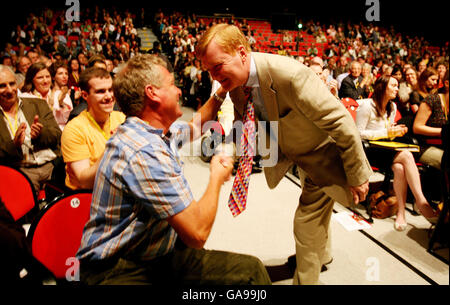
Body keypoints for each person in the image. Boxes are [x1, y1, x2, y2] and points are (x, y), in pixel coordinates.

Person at [196, 24, 372, 285]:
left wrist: (358, 174)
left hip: (325, 155)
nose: (214, 76)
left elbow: (341, 122)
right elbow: (243, 125)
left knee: (306, 223)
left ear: (241, 53)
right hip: (299, 155)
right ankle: (322, 256)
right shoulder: (236, 85)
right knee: (318, 214)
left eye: (217, 66)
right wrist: (227, 152)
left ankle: (306, 280)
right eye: (209, 70)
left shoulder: (290, 76)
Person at [76, 54, 271, 285]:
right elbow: (197, 233)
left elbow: (195, 126)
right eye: (171, 84)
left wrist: (221, 91)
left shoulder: (150, 131)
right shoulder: (144, 152)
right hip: (116, 269)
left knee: (251, 272)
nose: (179, 91)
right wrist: (216, 178)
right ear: (153, 93)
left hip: (153, 253)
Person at [355, 76, 439, 230]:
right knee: (406, 155)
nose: (396, 89)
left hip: (385, 148)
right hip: (369, 150)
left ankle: (401, 213)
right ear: (382, 87)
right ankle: (421, 201)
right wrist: (386, 131)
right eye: (393, 85)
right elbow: (358, 134)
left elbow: (388, 134)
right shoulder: (367, 106)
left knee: (400, 168)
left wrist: (397, 132)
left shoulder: (392, 107)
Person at [61, 67, 125, 191]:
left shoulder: (121, 118)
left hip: (114, 189)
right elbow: (85, 182)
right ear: (85, 95)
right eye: (101, 91)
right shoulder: (74, 129)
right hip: (87, 197)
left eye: (110, 90)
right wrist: (112, 145)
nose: (109, 96)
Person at [0, 64, 61, 194]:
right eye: (2, 86)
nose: (9, 90)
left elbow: (57, 135)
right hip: (20, 171)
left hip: (51, 165)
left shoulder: (38, 104)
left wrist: (40, 135)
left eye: (12, 84)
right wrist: (14, 145)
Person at [413, 70, 449, 170]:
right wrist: (443, 132)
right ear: (447, 83)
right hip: (426, 146)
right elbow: (417, 127)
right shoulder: (432, 100)